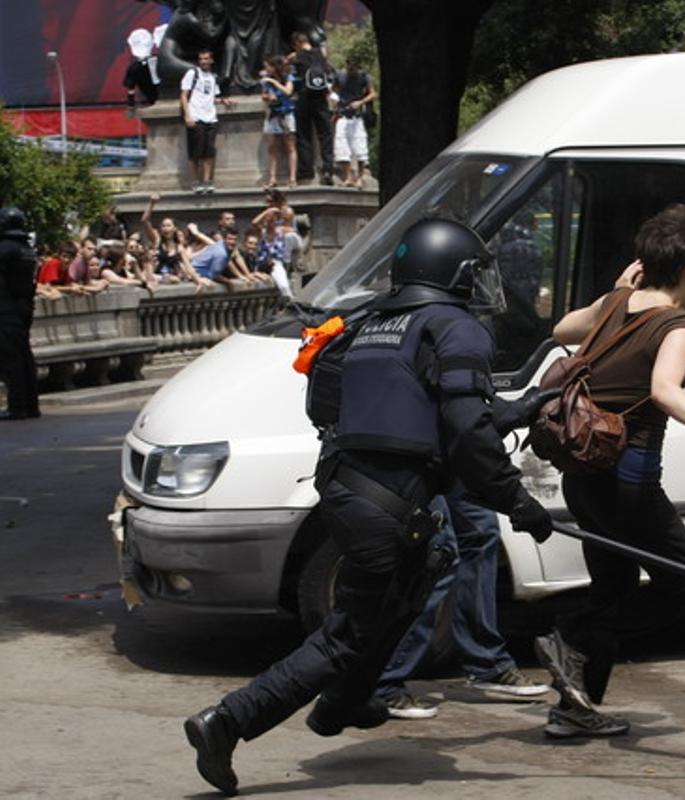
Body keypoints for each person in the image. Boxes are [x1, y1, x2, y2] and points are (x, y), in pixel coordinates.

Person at [183, 218, 556, 797]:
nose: (480, 285)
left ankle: (344, 703)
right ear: (452, 272)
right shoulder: (456, 328)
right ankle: (227, 722)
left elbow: (422, 412)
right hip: (388, 505)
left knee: (416, 581)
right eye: (474, 273)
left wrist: (524, 407)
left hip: (351, 489)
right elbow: (467, 438)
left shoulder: (374, 322)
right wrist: (519, 502)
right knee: (348, 635)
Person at [534, 204, 685, 739]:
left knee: (612, 590)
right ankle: (571, 634)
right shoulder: (680, 323)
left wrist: (617, 287)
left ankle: (575, 709)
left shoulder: (618, 300)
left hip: (584, 472)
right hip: (629, 478)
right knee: (683, 583)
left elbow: (561, 329)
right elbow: (665, 388)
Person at [374, 488, 549, 718]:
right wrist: (516, 496)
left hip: (448, 458)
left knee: (480, 530)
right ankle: (384, 682)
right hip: (414, 458)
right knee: (439, 554)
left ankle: (486, 661)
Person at [0, 208, 41, 420]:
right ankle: (31, 405)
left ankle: (17, 406)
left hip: (6, 310)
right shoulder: (27, 249)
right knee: (24, 356)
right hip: (24, 307)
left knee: (10, 359)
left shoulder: (5, 248)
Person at [180, 48, 232, 194]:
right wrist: (187, 115)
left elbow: (211, 96)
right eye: (201, 59)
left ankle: (207, 180)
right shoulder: (192, 73)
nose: (203, 61)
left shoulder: (213, 77)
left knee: (209, 151)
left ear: (211, 60)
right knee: (195, 152)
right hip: (196, 117)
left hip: (210, 117)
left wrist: (222, 100)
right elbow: (184, 95)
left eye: (206, 59)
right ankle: (196, 181)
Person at [288, 31, 334, 185]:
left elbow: (292, 77)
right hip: (321, 98)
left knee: (303, 135)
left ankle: (306, 171)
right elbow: (328, 72)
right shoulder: (320, 54)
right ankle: (328, 169)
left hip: (304, 98)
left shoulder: (297, 57)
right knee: (326, 134)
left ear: (297, 44)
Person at [331, 56, 375, 188]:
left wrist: (360, 102)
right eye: (350, 66)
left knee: (359, 146)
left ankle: (360, 177)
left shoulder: (364, 76)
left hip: (357, 115)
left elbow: (373, 93)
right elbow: (333, 89)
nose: (352, 69)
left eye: (354, 67)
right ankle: (349, 176)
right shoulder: (340, 75)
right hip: (343, 114)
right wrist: (335, 100)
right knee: (342, 146)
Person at [142, 195, 205, 285]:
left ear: (174, 228)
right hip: (152, 275)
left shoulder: (179, 247)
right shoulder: (157, 240)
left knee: (175, 279)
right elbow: (145, 221)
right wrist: (152, 203)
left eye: (168, 226)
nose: (165, 228)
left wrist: (198, 281)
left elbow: (189, 267)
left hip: (168, 279)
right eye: (163, 226)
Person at [260, 55, 298, 188]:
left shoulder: (288, 77)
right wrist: (268, 97)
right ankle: (272, 178)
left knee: (290, 146)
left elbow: (288, 91)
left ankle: (292, 178)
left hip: (286, 114)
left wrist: (274, 82)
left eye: (268, 67)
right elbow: (264, 95)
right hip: (273, 115)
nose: (266, 69)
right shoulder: (266, 82)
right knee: (272, 148)